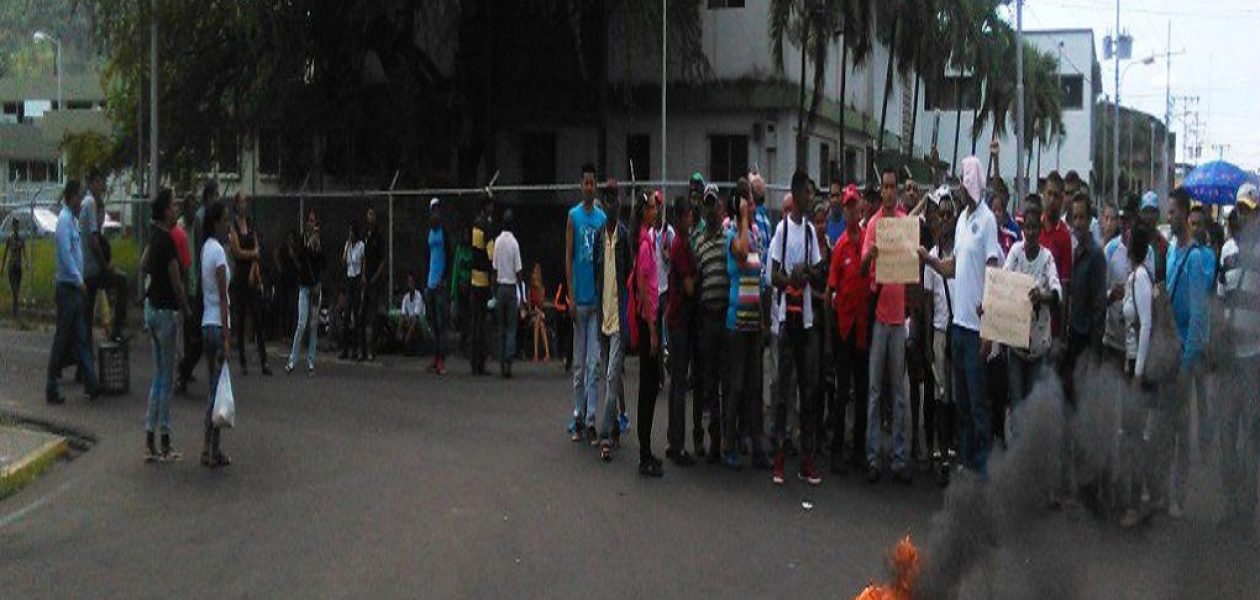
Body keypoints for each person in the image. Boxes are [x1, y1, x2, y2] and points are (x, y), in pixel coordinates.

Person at [920, 156, 1002, 476]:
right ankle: (967, 464)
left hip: (977, 329)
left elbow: (992, 271)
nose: (961, 189)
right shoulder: (964, 221)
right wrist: (928, 259)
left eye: (965, 183)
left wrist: (990, 330)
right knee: (963, 404)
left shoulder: (986, 220)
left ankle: (982, 469)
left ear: (974, 182)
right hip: (958, 327)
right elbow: (952, 267)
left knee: (979, 405)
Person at [1157, 187, 1216, 519]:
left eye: (1173, 212)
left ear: (1184, 214)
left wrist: (1186, 362)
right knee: (1166, 428)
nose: (1169, 217)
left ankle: (1178, 495)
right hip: (1167, 354)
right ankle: (1165, 491)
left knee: (1180, 430)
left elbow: (1198, 316)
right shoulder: (1172, 255)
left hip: (1182, 359)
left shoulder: (1194, 258)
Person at [769, 170, 825, 485]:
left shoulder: (808, 235)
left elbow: (819, 271)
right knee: (782, 393)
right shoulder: (783, 231)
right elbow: (772, 274)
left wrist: (808, 274)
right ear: (796, 194)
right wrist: (792, 277)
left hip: (804, 323)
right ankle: (779, 457)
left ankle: (806, 460)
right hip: (785, 323)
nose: (811, 198)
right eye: (807, 193)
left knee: (808, 391)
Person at [863, 167, 913, 484]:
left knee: (899, 394)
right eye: (887, 186)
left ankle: (898, 458)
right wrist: (874, 255)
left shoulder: (905, 221)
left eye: (894, 186)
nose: (891, 191)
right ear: (881, 190)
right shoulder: (874, 224)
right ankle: (872, 457)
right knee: (874, 391)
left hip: (899, 320)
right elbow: (866, 259)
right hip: (880, 318)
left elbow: (913, 262)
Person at [1219, 186, 1260, 530]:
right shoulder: (1227, 251)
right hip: (1231, 359)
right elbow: (1220, 297)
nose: (1247, 215)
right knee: (1228, 435)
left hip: (1254, 360)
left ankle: (1250, 508)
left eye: (1252, 210)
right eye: (1242, 210)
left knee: (1253, 436)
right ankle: (1234, 505)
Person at [141, 188, 191, 462]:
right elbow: (176, 281)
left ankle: (150, 437)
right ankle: (165, 439)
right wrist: (186, 308)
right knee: (167, 378)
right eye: (173, 206)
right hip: (166, 314)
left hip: (151, 308)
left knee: (158, 375)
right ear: (164, 211)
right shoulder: (169, 242)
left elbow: (142, 265)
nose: (176, 209)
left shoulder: (154, 238)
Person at [725, 181, 771, 473]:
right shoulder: (734, 233)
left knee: (754, 386)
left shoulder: (754, 233)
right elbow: (741, 254)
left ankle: (756, 445)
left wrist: (763, 317)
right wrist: (742, 217)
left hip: (753, 320)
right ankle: (730, 445)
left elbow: (756, 275)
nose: (754, 207)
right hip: (736, 321)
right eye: (749, 202)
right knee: (736, 386)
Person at [1002, 201, 1061, 429]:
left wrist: (1042, 296)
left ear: (1040, 229)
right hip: (1016, 347)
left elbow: (1057, 292)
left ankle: (1032, 454)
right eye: (1027, 227)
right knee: (1017, 405)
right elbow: (1003, 282)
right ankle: (1017, 456)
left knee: (1034, 406)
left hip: (1038, 348)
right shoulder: (1016, 252)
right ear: (1023, 229)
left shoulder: (1047, 259)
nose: (1031, 232)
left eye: (1035, 227)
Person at [827, 184, 872, 474]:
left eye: (854, 205)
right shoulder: (841, 245)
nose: (851, 210)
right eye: (846, 206)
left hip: (863, 328)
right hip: (844, 328)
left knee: (863, 389)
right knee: (842, 392)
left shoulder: (869, 241)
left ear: (860, 208)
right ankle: (836, 450)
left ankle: (858, 450)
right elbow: (832, 288)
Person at [45, 180, 99, 405]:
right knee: (63, 338)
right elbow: (66, 255)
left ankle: (92, 384)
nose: (81, 201)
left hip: (75, 288)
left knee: (81, 336)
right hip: (68, 288)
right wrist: (78, 279)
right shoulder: (65, 222)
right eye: (78, 196)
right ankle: (51, 385)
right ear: (70, 197)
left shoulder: (72, 221)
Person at [566, 163, 607, 440]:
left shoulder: (602, 219)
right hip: (578, 299)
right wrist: (569, 294)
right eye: (586, 183)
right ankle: (578, 415)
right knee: (578, 365)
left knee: (594, 364)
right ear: (581, 185)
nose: (589, 187)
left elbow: (605, 263)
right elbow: (568, 256)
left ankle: (591, 417)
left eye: (593, 182)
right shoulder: (574, 217)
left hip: (595, 301)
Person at [1119, 224, 1155, 528]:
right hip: (1130, 364)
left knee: (1134, 435)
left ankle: (1138, 502)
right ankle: (1139, 497)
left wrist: (1139, 372)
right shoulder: (1133, 277)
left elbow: (1146, 327)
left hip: (1136, 366)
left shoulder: (1141, 278)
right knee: (1131, 434)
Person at [921, 190, 958, 479]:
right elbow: (928, 302)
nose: (944, 219)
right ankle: (942, 451)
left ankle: (956, 450)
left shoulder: (962, 252)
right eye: (941, 215)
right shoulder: (931, 257)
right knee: (941, 394)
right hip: (940, 332)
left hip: (961, 331)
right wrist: (926, 341)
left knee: (958, 395)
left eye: (949, 214)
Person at [693, 184, 730, 463]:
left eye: (713, 204)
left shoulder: (729, 239)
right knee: (708, 382)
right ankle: (710, 437)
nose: (710, 209)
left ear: (719, 207)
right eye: (706, 204)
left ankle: (722, 440)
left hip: (725, 317)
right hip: (706, 318)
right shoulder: (699, 242)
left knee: (725, 382)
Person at [595, 191, 632, 460]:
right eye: (608, 201)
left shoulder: (624, 237)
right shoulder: (599, 237)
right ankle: (618, 420)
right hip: (603, 315)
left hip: (618, 317)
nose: (612, 206)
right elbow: (598, 275)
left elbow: (629, 274)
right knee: (611, 375)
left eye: (615, 202)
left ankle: (605, 434)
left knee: (610, 376)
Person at [665, 195, 698, 467]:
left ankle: (672, 440)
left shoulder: (678, 243)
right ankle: (677, 444)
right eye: (688, 215)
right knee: (679, 383)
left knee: (677, 382)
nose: (691, 219)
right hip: (679, 320)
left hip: (676, 318)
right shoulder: (682, 246)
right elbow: (689, 287)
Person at [632, 191, 664, 477]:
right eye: (652, 208)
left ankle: (646, 449)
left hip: (650, 319)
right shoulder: (644, 245)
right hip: (647, 321)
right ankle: (644, 454)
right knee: (648, 386)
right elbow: (643, 288)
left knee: (651, 385)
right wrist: (652, 329)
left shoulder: (648, 239)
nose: (656, 211)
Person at [201, 199, 233, 468]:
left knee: (214, 387)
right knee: (216, 390)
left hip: (205, 322)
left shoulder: (206, 250)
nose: (228, 225)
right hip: (217, 324)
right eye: (224, 220)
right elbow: (223, 297)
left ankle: (211, 447)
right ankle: (210, 447)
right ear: (215, 223)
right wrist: (227, 334)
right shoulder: (219, 254)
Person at [81, 168, 128, 343]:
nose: (102, 186)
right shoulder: (91, 203)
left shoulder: (86, 203)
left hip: (86, 268)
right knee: (122, 281)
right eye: (100, 182)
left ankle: (84, 346)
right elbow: (94, 240)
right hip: (93, 269)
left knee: (88, 309)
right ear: (92, 182)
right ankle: (117, 329)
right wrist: (105, 266)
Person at [228, 192, 271, 375]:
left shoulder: (251, 225)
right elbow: (237, 252)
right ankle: (243, 361)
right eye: (241, 202)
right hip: (240, 274)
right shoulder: (233, 227)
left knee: (257, 317)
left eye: (246, 202)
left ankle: (264, 361)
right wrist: (252, 254)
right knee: (240, 315)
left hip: (251, 273)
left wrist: (255, 264)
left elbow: (257, 247)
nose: (244, 205)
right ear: (236, 205)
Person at [286, 207, 325, 375]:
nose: (312, 224)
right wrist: (310, 244)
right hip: (304, 286)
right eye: (309, 221)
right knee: (301, 324)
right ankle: (292, 360)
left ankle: (311, 361)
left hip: (315, 286)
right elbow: (301, 257)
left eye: (314, 221)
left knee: (313, 324)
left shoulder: (319, 242)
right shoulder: (303, 240)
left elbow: (322, 262)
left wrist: (317, 245)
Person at [176, 187, 206, 393]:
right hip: (183, 285)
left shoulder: (195, 226)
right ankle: (182, 372)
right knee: (184, 330)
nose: (194, 212)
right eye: (191, 207)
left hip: (194, 283)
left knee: (192, 331)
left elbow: (197, 252)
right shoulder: (179, 229)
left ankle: (185, 369)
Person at [1040, 172, 1073, 337]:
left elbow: (1065, 287)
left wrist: (1061, 336)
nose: (1052, 200)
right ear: (1043, 195)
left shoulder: (1065, 236)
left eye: (1056, 196)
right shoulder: (1032, 228)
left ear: (1062, 200)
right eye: (1049, 194)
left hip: (1051, 326)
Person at [492, 210, 523, 378]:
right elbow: (519, 271)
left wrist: (493, 291)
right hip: (511, 287)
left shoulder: (497, 242)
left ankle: (502, 362)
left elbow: (494, 268)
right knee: (511, 327)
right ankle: (509, 360)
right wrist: (522, 296)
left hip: (500, 286)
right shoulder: (514, 243)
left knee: (501, 327)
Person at [469, 196, 495, 375]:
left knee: (475, 322)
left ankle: (474, 362)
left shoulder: (475, 225)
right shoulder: (486, 226)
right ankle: (480, 363)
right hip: (483, 280)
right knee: (482, 324)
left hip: (473, 278)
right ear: (486, 207)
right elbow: (491, 255)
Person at [425, 198, 451, 375]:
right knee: (433, 323)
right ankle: (435, 357)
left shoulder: (444, 233)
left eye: (438, 210)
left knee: (441, 324)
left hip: (440, 284)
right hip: (430, 282)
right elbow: (426, 257)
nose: (436, 213)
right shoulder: (429, 234)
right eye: (433, 210)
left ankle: (441, 359)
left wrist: (445, 277)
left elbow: (449, 255)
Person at [361, 205, 386, 361]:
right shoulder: (366, 236)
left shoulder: (379, 237)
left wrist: (375, 276)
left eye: (371, 214)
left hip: (375, 280)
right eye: (368, 214)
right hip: (366, 278)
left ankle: (373, 349)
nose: (369, 217)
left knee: (375, 315)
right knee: (363, 314)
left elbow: (382, 260)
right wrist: (363, 275)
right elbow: (364, 257)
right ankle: (363, 349)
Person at [339, 222, 365, 361]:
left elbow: (363, 261)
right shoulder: (348, 245)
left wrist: (363, 277)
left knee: (356, 316)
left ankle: (356, 350)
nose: (350, 235)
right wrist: (347, 247)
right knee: (346, 315)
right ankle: (345, 349)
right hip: (349, 279)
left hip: (357, 278)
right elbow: (343, 262)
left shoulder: (361, 246)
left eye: (352, 232)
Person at [4, 216, 28, 319]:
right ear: (12, 226)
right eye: (14, 225)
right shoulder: (9, 238)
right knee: (14, 289)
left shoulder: (21, 239)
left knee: (17, 289)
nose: (16, 227)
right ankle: (15, 310)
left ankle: (15, 310)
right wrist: (1, 268)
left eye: (17, 225)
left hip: (18, 267)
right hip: (11, 266)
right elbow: (5, 253)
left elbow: (24, 252)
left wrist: (26, 263)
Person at [527, 264, 551, 363]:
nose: (534, 275)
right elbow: (529, 307)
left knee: (540, 322)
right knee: (539, 323)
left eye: (536, 273)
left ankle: (538, 354)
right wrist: (534, 311)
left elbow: (542, 303)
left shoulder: (542, 288)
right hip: (533, 314)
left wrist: (539, 289)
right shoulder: (530, 289)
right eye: (533, 273)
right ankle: (544, 353)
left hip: (541, 313)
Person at [399, 273, 426, 352]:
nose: (410, 285)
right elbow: (403, 312)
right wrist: (405, 318)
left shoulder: (419, 296)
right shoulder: (406, 297)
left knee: (414, 321)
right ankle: (399, 338)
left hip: (419, 322)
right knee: (401, 318)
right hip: (409, 319)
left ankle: (408, 340)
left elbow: (416, 315)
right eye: (409, 282)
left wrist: (408, 319)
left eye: (412, 282)